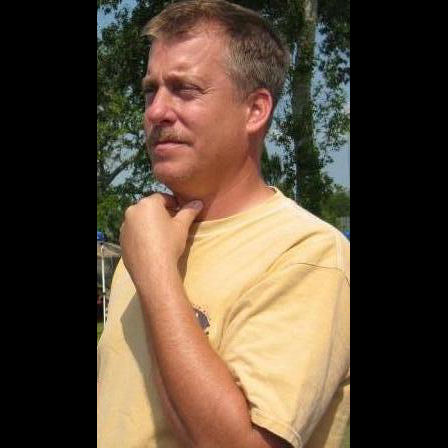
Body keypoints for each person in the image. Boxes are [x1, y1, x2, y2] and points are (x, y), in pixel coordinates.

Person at [97, 1, 350, 447]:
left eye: (185, 89)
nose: (156, 112)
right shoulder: (148, 234)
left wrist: (155, 273)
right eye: (150, 90)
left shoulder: (308, 254)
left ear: (255, 110)